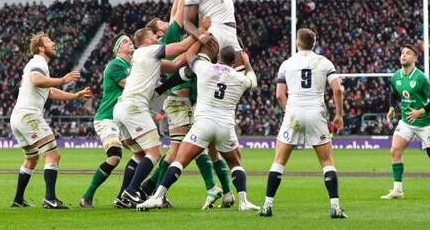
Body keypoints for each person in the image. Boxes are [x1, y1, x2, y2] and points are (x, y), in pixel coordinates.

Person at [137, 41, 259, 212]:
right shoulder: (240, 78)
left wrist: (200, 38)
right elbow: (253, 81)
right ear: (234, 62)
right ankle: (244, 201)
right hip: (225, 126)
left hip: (203, 124)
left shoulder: (206, 68)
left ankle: (157, 197)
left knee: (180, 160)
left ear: (218, 57)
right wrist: (246, 62)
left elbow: (189, 56)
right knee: (235, 163)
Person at [259, 28, 348, 219]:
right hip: (316, 111)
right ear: (313, 43)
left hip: (294, 111)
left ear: (298, 42)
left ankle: (267, 205)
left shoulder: (287, 64)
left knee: (279, 161)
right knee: (327, 161)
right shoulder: (324, 62)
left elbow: (279, 95)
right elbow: (338, 90)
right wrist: (339, 115)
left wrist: (290, 111)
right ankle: (335, 207)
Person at [10, 33, 93, 209]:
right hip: (29, 115)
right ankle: (50, 198)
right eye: (49, 41)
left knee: (32, 158)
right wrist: (63, 80)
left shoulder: (38, 64)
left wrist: (74, 96)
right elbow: (36, 80)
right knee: (53, 154)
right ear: (41, 48)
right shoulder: (38, 62)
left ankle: (18, 199)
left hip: (18, 116)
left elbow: (49, 91)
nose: (53, 43)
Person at [113, 28, 194, 207]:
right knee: (155, 153)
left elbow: (175, 64)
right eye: (153, 35)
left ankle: (122, 197)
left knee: (139, 154)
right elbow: (181, 46)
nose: (158, 37)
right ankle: (132, 191)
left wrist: (192, 53)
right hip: (134, 107)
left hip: (121, 108)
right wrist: (201, 32)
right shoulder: (148, 50)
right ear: (146, 40)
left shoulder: (146, 57)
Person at [381, 45, 430, 200]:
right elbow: (394, 94)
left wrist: (420, 112)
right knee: (395, 151)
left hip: (424, 124)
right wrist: (391, 107)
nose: (403, 55)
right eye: (402, 53)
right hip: (406, 122)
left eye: (407, 53)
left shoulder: (421, 77)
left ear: (414, 58)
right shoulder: (396, 76)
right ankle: (398, 190)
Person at [80, 34, 145, 208]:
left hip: (124, 119)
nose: (130, 41)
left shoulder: (131, 65)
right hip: (107, 118)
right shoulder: (116, 64)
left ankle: (123, 196)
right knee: (115, 156)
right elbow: (131, 85)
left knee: (141, 155)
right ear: (117, 49)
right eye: (125, 41)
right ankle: (87, 196)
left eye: (130, 40)